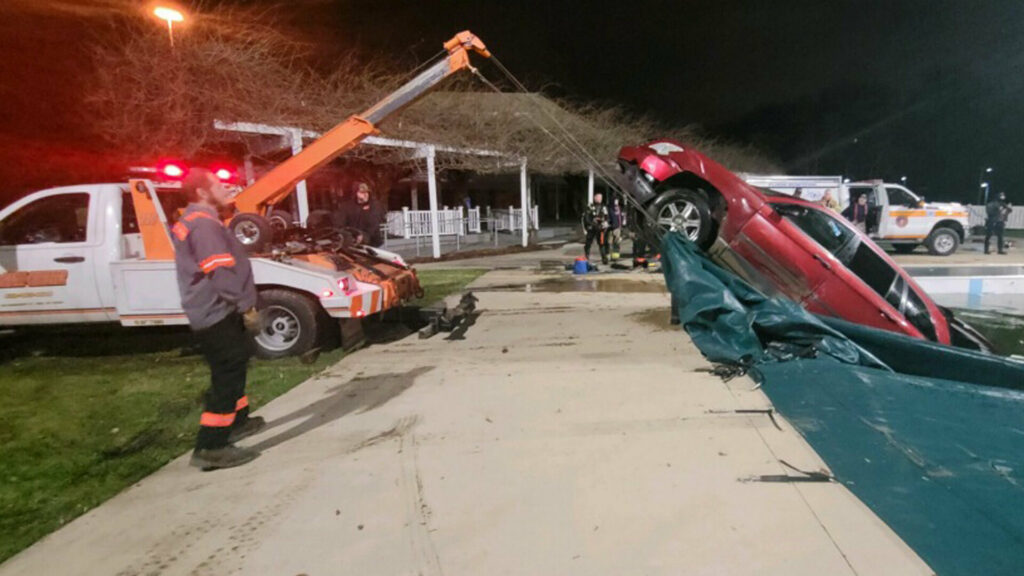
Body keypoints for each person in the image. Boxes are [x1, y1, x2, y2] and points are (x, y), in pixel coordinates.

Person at [171, 168, 264, 471]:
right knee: (227, 372)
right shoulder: (204, 227)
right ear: (201, 193)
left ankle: (237, 421)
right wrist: (245, 306)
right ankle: (211, 446)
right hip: (216, 312)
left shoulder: (202, 222)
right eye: (219, 185)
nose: (226, 188)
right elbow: (221, 272)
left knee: (234, 366)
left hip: (213, 310)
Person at [338, 182, 386, 246]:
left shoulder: (375, 205)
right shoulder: (347, 206)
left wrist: (364, 236)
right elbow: (341, 223)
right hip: (353, 243)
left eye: (367, 192)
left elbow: (373, 224)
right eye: (362, 192)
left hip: (372, 243)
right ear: (356, 193)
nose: (366, 195)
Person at [582, 192, 610, 264]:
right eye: (598, 197)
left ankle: (604, 258)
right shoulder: (590, 206)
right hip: (591, 228)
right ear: (595, 198)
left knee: (602, 243)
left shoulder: (604, 207)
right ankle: (586, 256)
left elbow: (607, 217)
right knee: (588, 242)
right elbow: (586, 217)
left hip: (600, 229)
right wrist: (591, 223)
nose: (600, 199)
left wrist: (604, 223)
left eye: (601, 198)